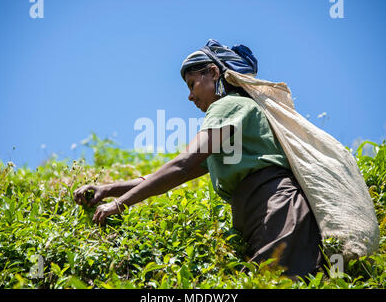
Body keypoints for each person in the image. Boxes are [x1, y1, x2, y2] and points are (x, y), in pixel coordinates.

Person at [73, 39, 324, 278]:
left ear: (214, 73)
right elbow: (164, 176)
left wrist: (119, 204)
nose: (190, 97)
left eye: (192, 84)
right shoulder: (233, 125)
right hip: (266, 212)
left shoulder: (228, 105)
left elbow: (182, 165)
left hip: (276, 208)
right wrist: (108, 189)